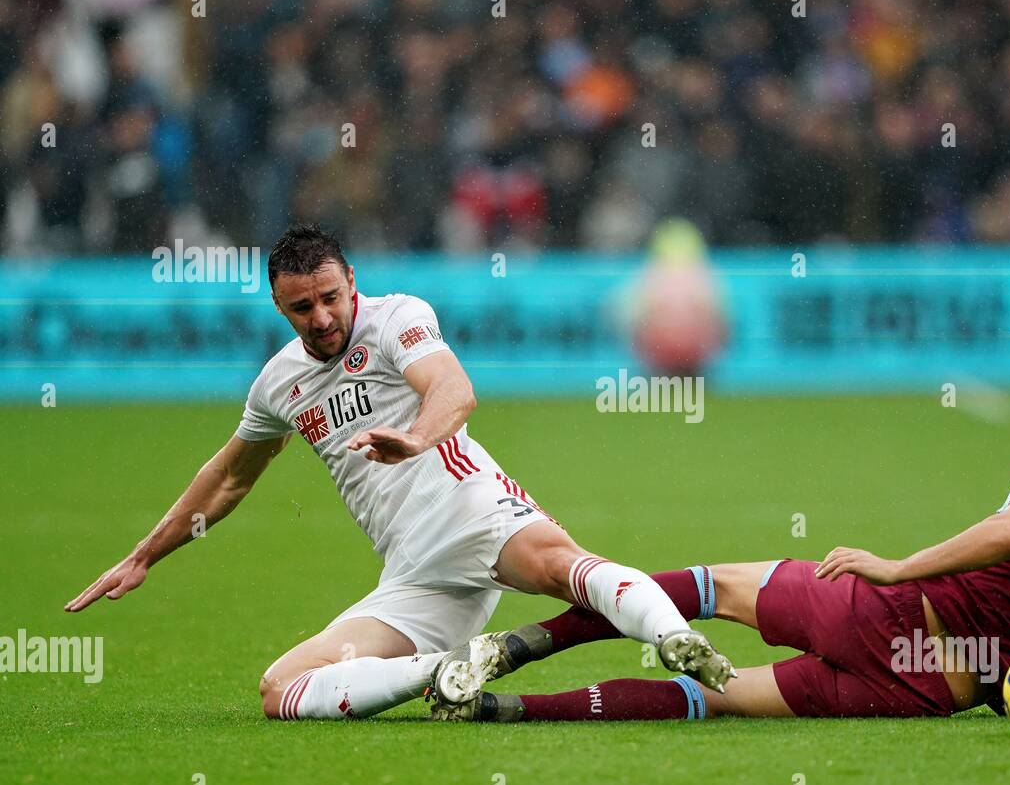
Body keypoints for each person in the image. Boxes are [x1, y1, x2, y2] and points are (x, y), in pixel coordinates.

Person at [66, 223, 736, 720]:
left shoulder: (396, 320)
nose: (323, 317)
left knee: (563, 566)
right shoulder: (279, 383)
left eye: (331, 296)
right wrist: (145, 555)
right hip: (412, 572)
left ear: (351, 279)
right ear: (278, 305)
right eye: (303, 308)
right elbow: (229, 478)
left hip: (471, 511)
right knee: (282, 690)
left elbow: (453, 387)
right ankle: (447, 671)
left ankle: (675, 639)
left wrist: (416, 437)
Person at [435, 413, 1010, 722]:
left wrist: (897, 566)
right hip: (921, 690)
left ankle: (520, 645)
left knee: (707, 589)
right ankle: (504, 714)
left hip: (892, 614)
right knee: (717, 698)